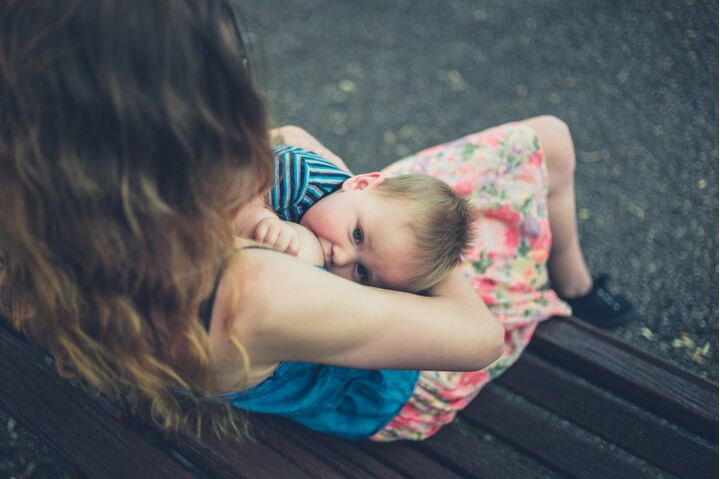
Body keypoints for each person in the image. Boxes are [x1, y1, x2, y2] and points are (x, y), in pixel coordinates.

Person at [0, 0, 633, 445]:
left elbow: (290, 139)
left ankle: (571, 281)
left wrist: (356, 208)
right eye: (234, 80)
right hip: (399, 382)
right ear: (188, 140)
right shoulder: (259, 289)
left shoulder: (61, 233)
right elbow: (478, 338)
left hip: (362, 253)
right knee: (547, 141)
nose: (250, 100)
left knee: (541, 144)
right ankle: (570, 290)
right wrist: (404, 252)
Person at [234, 141, 474, 292]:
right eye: (357, 235)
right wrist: (260, 217)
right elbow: (227, 178)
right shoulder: (298, 174)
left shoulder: (357, 213)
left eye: (362, 273)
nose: (341, 258)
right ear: (360, 184)